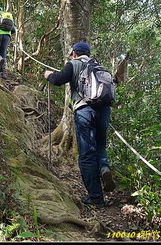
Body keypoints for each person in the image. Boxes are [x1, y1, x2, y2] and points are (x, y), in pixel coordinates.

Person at [44, 42, 116, 207]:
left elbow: (58, 80)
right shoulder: (100, 67)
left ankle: (96, 197)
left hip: (84, 110)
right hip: (104, 111)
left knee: (86, 154)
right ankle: (104, 167)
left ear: (74, 53)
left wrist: (48, 75)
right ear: (88, 54)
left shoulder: (73, 64)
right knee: (100, 146)